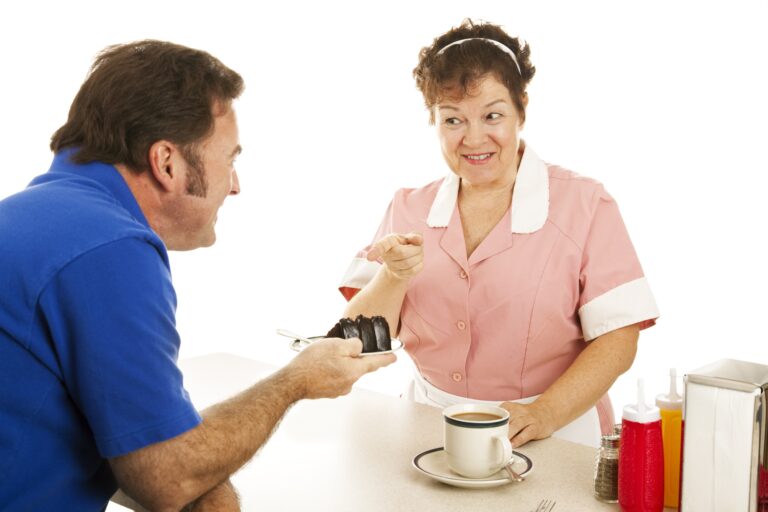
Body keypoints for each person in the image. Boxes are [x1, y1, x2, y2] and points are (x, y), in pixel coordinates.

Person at [0, 40, 395, 511]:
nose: (235, 184)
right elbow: (167, 476)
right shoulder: (110, 247)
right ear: (167, 162)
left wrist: (196, 481)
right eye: (230, 159)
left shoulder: (38, 217)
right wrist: (297, 380)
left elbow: (146, 448)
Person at [338, 19, 659, 448]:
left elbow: (619, 338)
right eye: (453, 120)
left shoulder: (584, 205)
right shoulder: (408, 208)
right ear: (434, 120)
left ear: (521, 109)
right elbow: (360, 342)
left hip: (554, 432)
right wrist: (393, 276)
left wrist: (545, 414)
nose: (474, 139)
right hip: (429, 426)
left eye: (492, 116)